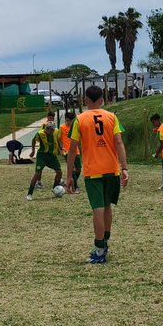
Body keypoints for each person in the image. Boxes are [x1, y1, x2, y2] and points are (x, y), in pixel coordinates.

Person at [66, 85, 128, 264]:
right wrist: (124, 168)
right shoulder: (112, 117)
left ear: (85, 100)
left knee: (97, 209)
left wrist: (69, 176)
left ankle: (99, 249)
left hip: (93, 171)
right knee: (107, 206)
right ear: (103, 100)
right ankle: (105, 242)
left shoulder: (80, 119)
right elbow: (119, 143)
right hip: (111, 169)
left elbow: (72, 150)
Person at [27, 120, 63, 201]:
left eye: (50, 130)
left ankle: (55, 188)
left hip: (52, 156)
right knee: (37, 174)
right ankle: (30, 193)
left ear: (53, 130)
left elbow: (58, 139)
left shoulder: (56, 131)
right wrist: (33, 151)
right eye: (47, 129)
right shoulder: (40, 133)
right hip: (42, 156)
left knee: (59, 172)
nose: (49, 131)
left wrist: (60, 149)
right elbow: (33, 140)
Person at [60, 111, 81, 194]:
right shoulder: (62, 128)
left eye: (69, 120)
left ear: (73, 120)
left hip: (76, 151)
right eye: (66, 120)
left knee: (78, 169)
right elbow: (58, 139)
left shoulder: (76, 127)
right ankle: (75, 187)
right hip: (67, 151)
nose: (67, 122)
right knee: (71, 169)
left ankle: (70, 181)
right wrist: (61, 148)